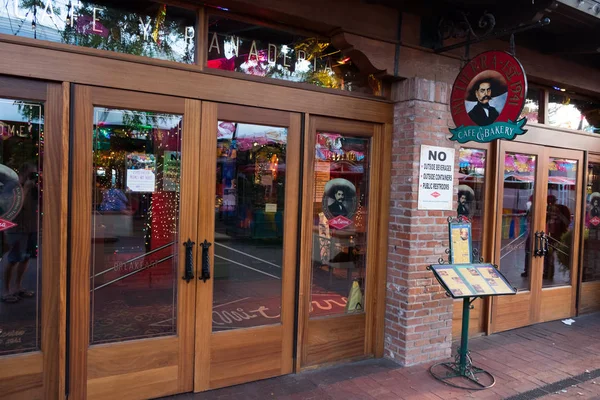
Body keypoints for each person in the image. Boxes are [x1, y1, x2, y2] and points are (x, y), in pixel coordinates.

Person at [1, 163, 38, 303]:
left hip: (31, 228)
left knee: (25, 258)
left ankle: (18, 287)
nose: (33, 178)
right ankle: (6, 291)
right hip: (17, 230)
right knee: (13, 259)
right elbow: (14, 208)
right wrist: (26, 189)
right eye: (31, 174)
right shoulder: (14, 188)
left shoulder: (35, 188)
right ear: (22, 174)